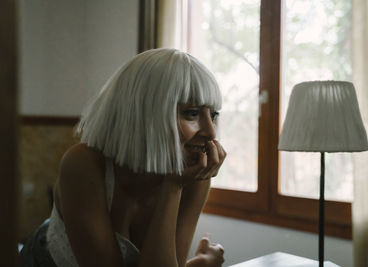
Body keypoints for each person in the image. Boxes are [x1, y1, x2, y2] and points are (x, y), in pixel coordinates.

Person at [20, 48, 226, 267]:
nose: (210, 132)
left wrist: (173, 186)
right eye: (192, 113)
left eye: (212, 115)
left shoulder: (192, 177)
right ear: (145, 115)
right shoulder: (83, 164)